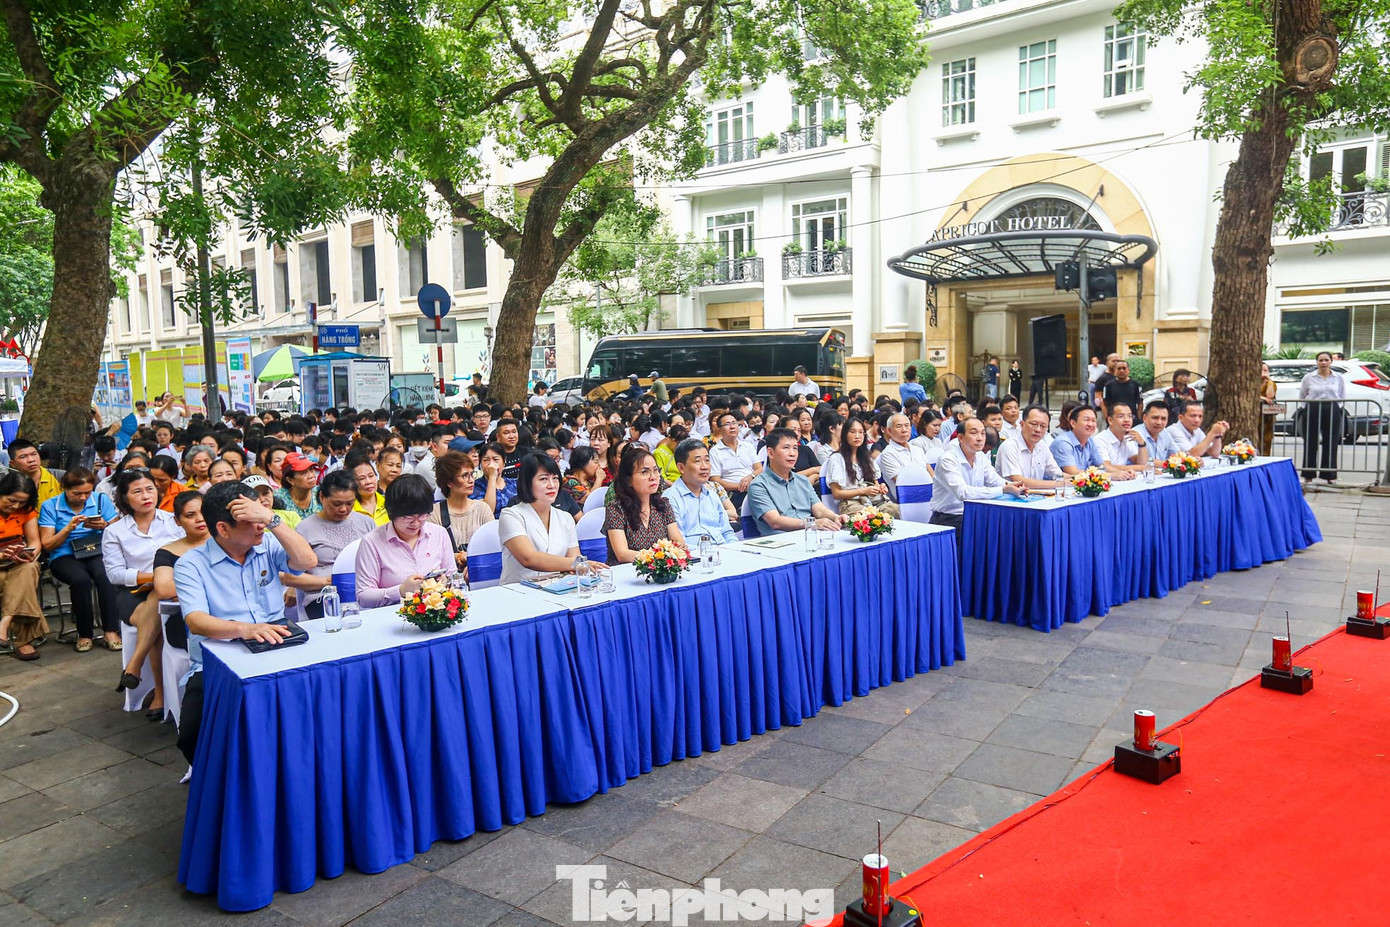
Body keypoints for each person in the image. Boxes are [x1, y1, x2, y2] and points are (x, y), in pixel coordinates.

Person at [173, 480, 317, 764]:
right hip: (219, 658)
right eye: (250, 521)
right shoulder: (191, 564)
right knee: (191, 735)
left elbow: (306, 560)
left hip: (277, 645)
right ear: (223, 529)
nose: (259, 526)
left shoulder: (267, 544)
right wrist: (247, 629)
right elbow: (197, 620)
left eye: (259, 518)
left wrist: (271, 519)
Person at [104, 468, 183, 715]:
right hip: (133, 593)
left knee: (159, 596)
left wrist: (162, 580)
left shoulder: (174, 522)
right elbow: (115, 574)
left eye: (150, 489)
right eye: (137, 491)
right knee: (156, 609)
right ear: (125, 497)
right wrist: (154, 576)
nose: (146, 496)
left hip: (172, 588)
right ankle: (159, 693)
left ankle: (135, 668)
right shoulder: (115, 531)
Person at [39, 467, 120, 652]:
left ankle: (111, 630)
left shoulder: (100, 499)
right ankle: (84, 633)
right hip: (64, 554)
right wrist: (68, 528)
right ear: (64, 488)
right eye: (77, 493)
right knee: (80, 580)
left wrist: (105, 525)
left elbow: (117, 531)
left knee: (105, 576)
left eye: (87, 493)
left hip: (96, 550)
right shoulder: (51, 506)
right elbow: (48, 545)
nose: (83, 497)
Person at [354, 474, 456, 608]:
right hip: (391, 615)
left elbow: (452, 576)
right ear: (392, 513)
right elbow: (363, 597)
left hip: (434, 612)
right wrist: (401, 591)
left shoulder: (439, 533)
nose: (416, 523)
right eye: (408, 517)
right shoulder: (372, 542)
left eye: (423, 515)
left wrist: (445, 582)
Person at [285, 469, 375, 618]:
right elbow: (289, 576)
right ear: (321, 497)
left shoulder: (366, 523)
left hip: (364, 591)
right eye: (336, 503)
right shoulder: (305, 529)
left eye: (350, 503)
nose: (343, 509)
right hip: (324, 596)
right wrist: (326, 581)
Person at [929, 418, 1026, 540]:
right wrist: (1004, 489)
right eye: (974, 433)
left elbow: (995, 481)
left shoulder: (980, 456)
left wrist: (1013, 485)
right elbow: (963, 492)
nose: (980, 438)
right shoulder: (947, 460)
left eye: (982, 433)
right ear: (960, 437)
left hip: (975, 515)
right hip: (949, 520)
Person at [497, 453, 580, 585]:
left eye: (555, 478)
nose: (552, 485)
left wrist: (577, 565)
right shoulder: (511, 515)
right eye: (543, 479)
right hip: (519, 592)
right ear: (527, 483)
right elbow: (528, 558)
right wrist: (577, 564)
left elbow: (574, 561)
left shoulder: (566, 518)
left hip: (558, 589)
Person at [747, 428, 845, 536]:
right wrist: (811, 523)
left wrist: (836, 517)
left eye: (795, 448)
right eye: (786, 448)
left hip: (809, 536)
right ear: (770, 453)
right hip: (778, 542)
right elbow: (775, 521)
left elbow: (820, 510)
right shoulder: (758, 485)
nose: (792, 453)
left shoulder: (803, 481)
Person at [604, 445, 684, 564]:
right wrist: (660, 556)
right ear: (628, 480)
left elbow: (678, 542)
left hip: (661, 570)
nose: (653, 477)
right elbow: (622, 554)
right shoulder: (616, 509)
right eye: (644, 472)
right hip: (625, 573)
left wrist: (668, 555)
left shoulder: (663, 505)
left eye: (655, 470)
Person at [152, 491, 210, 652]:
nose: (199, 519)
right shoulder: (167, 551)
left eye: (204, 512)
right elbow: (164, 589)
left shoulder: (227, 542)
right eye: (190, 515)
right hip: (186, 617)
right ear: (177, 521)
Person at [0, 473, 45, 661]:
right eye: (11, 501)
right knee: (17, 584)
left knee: (29, 569)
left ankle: (5, 622)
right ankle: (23, 641)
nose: (15, 506)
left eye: (21, 502)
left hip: (17, 562)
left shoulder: (25, 510)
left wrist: (28, 553)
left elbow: (35, 541)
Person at [428, 451, 494, 576]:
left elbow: (492, 546)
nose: (471, 480)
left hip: (482, 574)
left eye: (472, 474)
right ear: (449, 482)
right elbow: (431, 553)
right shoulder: (434, 513)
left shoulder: (482, 509)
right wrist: (459, 556)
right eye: (464, 476)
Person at [664, 438, 738, 545]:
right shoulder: (671, 498)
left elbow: (727, 532)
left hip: (723, 552)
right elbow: (680, 543)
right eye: (698, 461)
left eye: (707, 460)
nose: (704, 467)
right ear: (681, 467)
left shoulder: (712, 495)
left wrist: (736, 549)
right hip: (696, 556)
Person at [824, 417, 900, 517]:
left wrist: (880, 488)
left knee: (896, 510)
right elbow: (837, 493)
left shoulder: (867, 458)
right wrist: (862, 491)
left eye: (861, 432)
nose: (857, 436)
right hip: (851, 503)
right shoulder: (837, 458)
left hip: (872, 501)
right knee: (868, 516)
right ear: (845, 435)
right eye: (852, 432)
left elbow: (875, 483)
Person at [1298, 350, 1346, 482]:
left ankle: (1329, 475)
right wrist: (1305, 408)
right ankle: (1308, 475)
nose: (1323, 363)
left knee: (1331, 441)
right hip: (1313, 408)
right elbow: (1303, 395)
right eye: (1321, 360)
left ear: (1331, 361)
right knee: (1310, 441)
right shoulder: (1309, 377)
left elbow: (1342, 394)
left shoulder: (1338, 377)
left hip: (1331, 408)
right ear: (1317, 362)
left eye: (1326, 360)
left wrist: (1338, 407)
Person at [995, 404, 1065, 489]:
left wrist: (1078, 479)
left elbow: (1058, 474)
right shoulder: (1009, 446)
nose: (1038, 430)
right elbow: (1018, 481)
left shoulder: (1042, 445)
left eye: (1043, 426)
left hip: (1036, 498)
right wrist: (1061, 484)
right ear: (1022, 424)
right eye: (1034, 424)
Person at [709, 411, 761, 510]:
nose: (732, 427)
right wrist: (739, 486)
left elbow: (759, 469)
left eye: (734, 423)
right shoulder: (715, 452)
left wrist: (750, 477)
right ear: (720, 429)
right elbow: (715, 480)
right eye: (727, 424)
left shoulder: (747, 446)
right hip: (732, 493)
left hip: (753, 486)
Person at [876, 413, 930, 498]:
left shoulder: (917, 450)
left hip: (928, 494)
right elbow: (904, 482)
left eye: (907, 425)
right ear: (889, 431)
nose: (904, 430)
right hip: (907, 500)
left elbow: (931, 474)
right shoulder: (888, 454)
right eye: (899, 426)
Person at [1092, 402, 1149, 476]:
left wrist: (1141, 444)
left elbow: (1142, 463)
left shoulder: (1128, 437)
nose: (1127, 420)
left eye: (1130, 416)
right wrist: (1139, 468)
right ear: (1110, 420)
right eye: (1121, 416)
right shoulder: (1100, 439)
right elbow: (1105, 467)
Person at [1052, 406, 1108, 475]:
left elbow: (1102, 465)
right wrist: (1109, 475)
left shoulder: (1089, 440)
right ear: (1073, 423)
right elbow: (1073, 473)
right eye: (1086, 420)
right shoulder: (1063, 442)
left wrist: (1120, 473)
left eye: (1093, 420)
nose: (1090, 424)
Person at [1164, 401, 1229, 458]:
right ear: (1181, 417)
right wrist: (1212, 434)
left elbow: (1214, 453)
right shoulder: (1173, 430)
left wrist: (1217, 434)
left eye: (1200, 416)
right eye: (1193, 416)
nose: (1197, 420)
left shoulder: (1197, 430)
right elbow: (1191, 454)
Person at [6, 438, 62, 504]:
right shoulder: (8, 485)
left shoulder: (61, 477)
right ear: (13, 464)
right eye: (23, 457)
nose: (31, 460)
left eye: (34, 454)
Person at [273, 452, 322, 519]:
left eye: (311, 469)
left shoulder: (321, 493)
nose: (311, 476)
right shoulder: (278, 498)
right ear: (290, 480)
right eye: (303, 473)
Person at [345, 450, 389, 525]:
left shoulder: (388, 503)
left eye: (371, 476)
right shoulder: (348, 510)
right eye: (362, 478)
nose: (368, 482)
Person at [1259, 362, 1280, 457]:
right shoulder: (1251, 384)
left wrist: (1269, 381)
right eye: (1261, 370)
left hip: (1267, 418)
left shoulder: (1271, 384)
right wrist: (1262, 398)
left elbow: (1270, 396)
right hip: (1256, 416)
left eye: (1265, 370)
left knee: (1266, 440)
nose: (1263, 373)